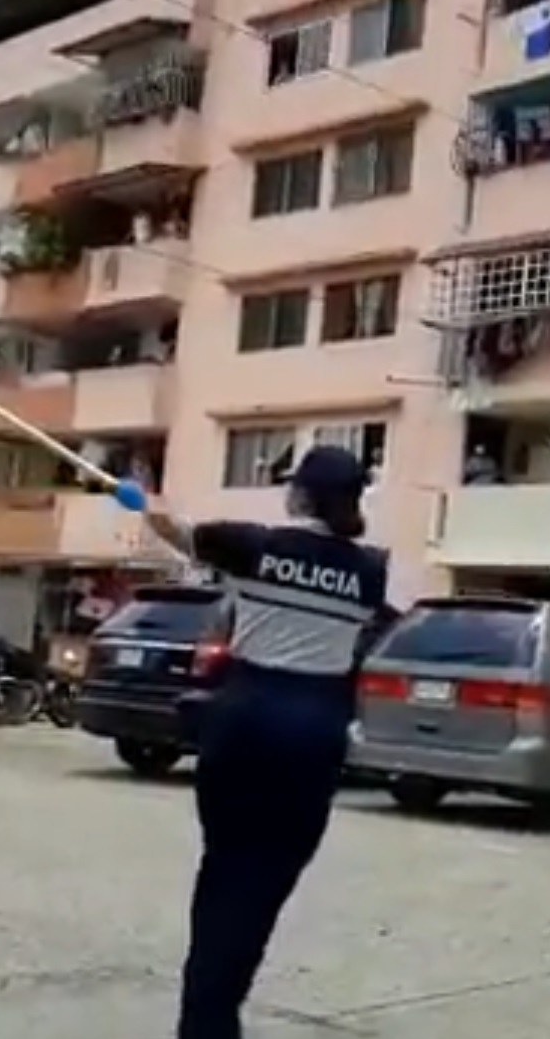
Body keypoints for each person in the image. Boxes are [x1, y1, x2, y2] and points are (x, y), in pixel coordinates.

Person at [121, 445, 392, 1039]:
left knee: (224, 870)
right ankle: (219, 1011)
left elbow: (174, 531)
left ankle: (205, 1019)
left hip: (244, 724)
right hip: (314, 736)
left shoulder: (253, 545)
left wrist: (141, 501)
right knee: (266, 883)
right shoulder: (372, 570)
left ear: (303, 495)